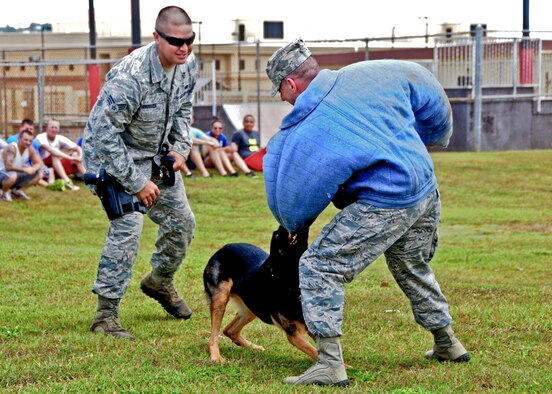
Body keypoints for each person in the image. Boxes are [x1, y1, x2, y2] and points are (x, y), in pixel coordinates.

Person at [264, 39, 470, 387]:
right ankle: (448, 342)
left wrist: (293, 224)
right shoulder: (372, 74)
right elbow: (426, 88)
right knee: (410, 265)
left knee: (319, 266)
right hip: (424, 189)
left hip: (385, 201)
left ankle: (329, 364)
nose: (285, 100)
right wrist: (433, 135)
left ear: (290, 83)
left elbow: (292, 200)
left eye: (282, 92)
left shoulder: (311, 123)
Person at [81, 6, 198, 339]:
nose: (184, 48)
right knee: (128, 229)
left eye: (190, 40)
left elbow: (184, 111)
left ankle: (159, 282)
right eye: (176, 41)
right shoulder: (131, 76)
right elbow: (104, 134)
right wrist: (137, 182)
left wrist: (180, 147)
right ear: (156, 37)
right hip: (112, 158)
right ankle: (105, 315)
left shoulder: (186, 65)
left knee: (183, 224)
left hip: (153, 155)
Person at [35, 118, 84, 190]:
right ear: (47, 128)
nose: (54, 129)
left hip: (56, 167)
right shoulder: (41, 137)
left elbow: (77, 147)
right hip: (44, 168)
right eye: (52, 127)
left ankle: (88, 178)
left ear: (58, 130)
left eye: (56, 128)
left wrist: (80, 156)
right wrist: (70, 158)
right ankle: (67, 181)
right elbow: (51, 150)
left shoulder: (59, 138)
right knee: (55, 155)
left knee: (75, 154)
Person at [7, 119, 54, 187]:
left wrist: (41, 167)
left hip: (32, 167)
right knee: (33, 173)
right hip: (20, 167)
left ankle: (52, 184)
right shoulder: (12, 140)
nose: (28, 130)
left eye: (31, 129)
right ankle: (49, 186)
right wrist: (32, 169)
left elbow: (38, 158)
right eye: (26, 128)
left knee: (50, 170)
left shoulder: (34, 142)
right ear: (20, 128)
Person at [0, 128, 43, 201]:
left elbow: (39, 162)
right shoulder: (11, 148)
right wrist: (25, 170)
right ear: (19, 138)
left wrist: (33, 169)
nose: (28, 142)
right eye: (26, 140)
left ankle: (18, 191)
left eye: (30, 141)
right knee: (13, 175)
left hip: (12, 174)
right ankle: (4, 193)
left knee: (39, 174)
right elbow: (8, 167)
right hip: (2, 172)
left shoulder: (30, 149)